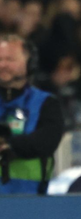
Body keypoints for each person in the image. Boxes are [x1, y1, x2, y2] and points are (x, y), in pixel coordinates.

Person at [0, 34, 65, 194]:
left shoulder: (46, 103)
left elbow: (47, 140)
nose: (2, 65)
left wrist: (9, 145)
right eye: (0, 59)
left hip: (31, 199)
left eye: (10, 59)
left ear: (30, 63)